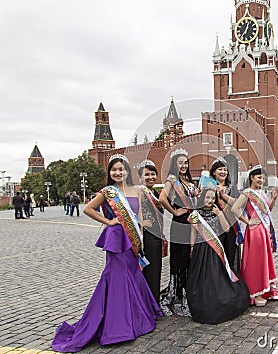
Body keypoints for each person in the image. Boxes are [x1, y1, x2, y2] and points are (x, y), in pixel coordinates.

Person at [52, 154, 162, 353]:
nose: (118, 173)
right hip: (116, 239)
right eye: (114, 170)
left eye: (121, 169)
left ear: (127, 171)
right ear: (110, 173)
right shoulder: (107, 192)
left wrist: (141, 238)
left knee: (133, 275)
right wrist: (109, 221)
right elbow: (88, 209)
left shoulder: (137, 190)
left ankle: (135, 318)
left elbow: (141, 217)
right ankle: (118, 326)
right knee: (118, 278)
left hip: (133, 239)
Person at [186, 187, 250, 324]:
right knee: (201, 278)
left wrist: (219, 214)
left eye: (212, 198)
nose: (210, 200)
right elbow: (192, 233)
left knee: (216, 276)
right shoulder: (195, 214)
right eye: (207, 197)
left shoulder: (217, 212)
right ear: (202, 198)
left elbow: (227, 229)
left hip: (216, 250)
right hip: (200, 249)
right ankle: (202, 304)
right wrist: (191, 248)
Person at [232, 165, 278, 307]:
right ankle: (256, 293)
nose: (261, 180)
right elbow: (234, 208)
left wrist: (274, 199)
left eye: (263, 178)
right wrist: (248, 222)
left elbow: (267, 211)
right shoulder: (247, 193)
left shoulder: (261, 193)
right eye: (259, 177)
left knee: (263, 260)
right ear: (252, 178)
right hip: (254, 232)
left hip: (263, 231)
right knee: (255, 262)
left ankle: (265, 290)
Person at [159, 148, 198, 317]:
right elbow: (162, 198)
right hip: (180, 223)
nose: (184, 165)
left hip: (191, 223)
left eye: (186, 162)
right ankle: (177, 296)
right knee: (180, 259)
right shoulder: (172, 180)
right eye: (180, 162)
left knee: (189, 259)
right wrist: (174, 212)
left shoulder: (188, 181)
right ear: (175, 164)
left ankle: (188, 292)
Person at [137, 159, 164, 304]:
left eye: (153, 174)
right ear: (140, 177)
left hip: (156, 233)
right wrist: (141, 223)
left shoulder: (154, 192)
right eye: (146, 175)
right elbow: (134, 211)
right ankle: (149, 304)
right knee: (149, 272)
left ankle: (154, 301)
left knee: (156, 270)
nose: (150, 177)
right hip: (146, 235)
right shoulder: (140, 191)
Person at [209, 157, 242, 270]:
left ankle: (231, 281)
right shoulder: (208, 186)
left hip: (230, 226)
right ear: (214, 172)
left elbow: (238, 204)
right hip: (214, 226)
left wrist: (223, 196)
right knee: (215, 257)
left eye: (225, 170)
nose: (223, 172)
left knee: (230, 255)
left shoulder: (232, 188)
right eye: (220, 169)